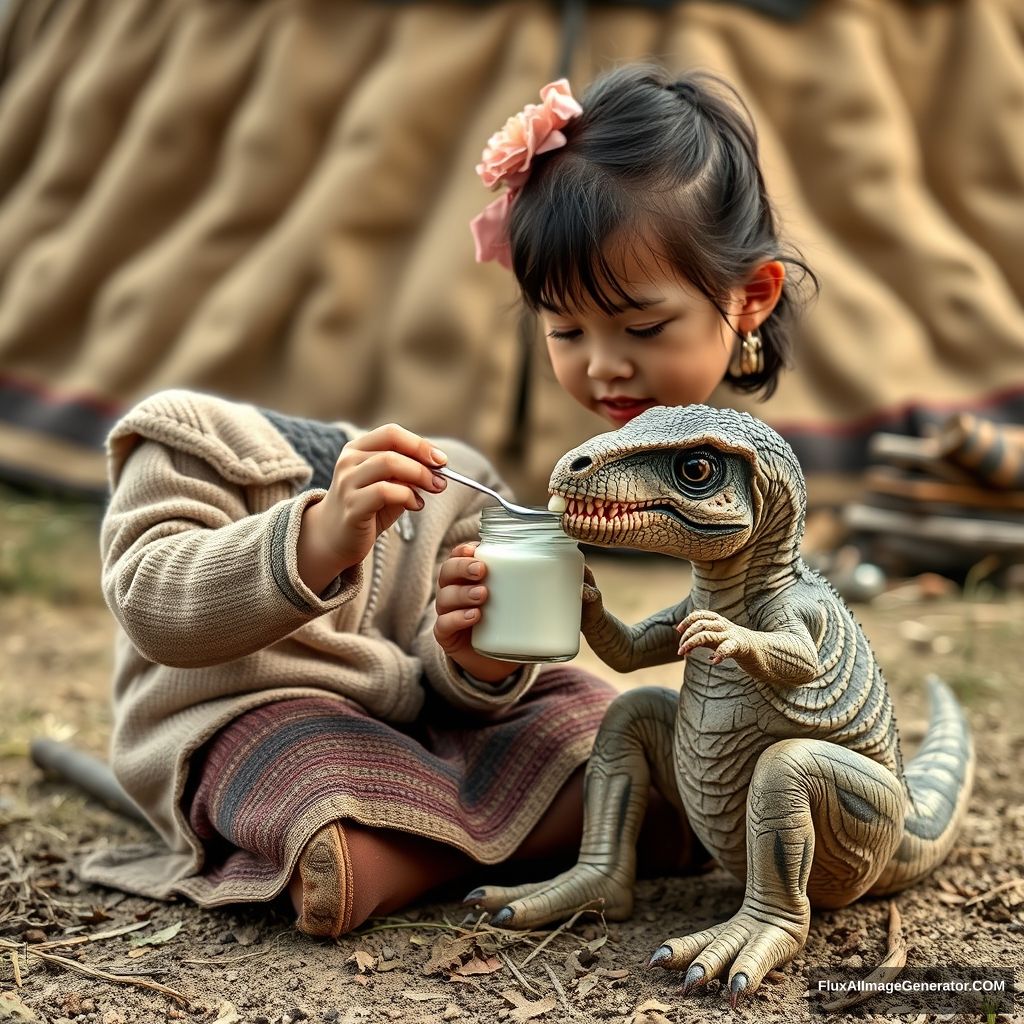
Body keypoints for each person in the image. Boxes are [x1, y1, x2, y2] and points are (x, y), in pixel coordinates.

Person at [80, 392, 638, 936]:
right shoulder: (185, 438)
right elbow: (150, 602)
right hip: (258, 715)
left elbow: (450, 662)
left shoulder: (460, 482)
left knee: (620, 722)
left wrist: (478, 657)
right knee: (306, 768)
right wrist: (318, 538)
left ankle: (412, 851)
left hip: (423, 724)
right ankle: (556, 832)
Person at [470, 65, 815, 429]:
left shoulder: (768, 472)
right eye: (567, 332)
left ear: (752, 296)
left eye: (644, 328)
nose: (601, 367)